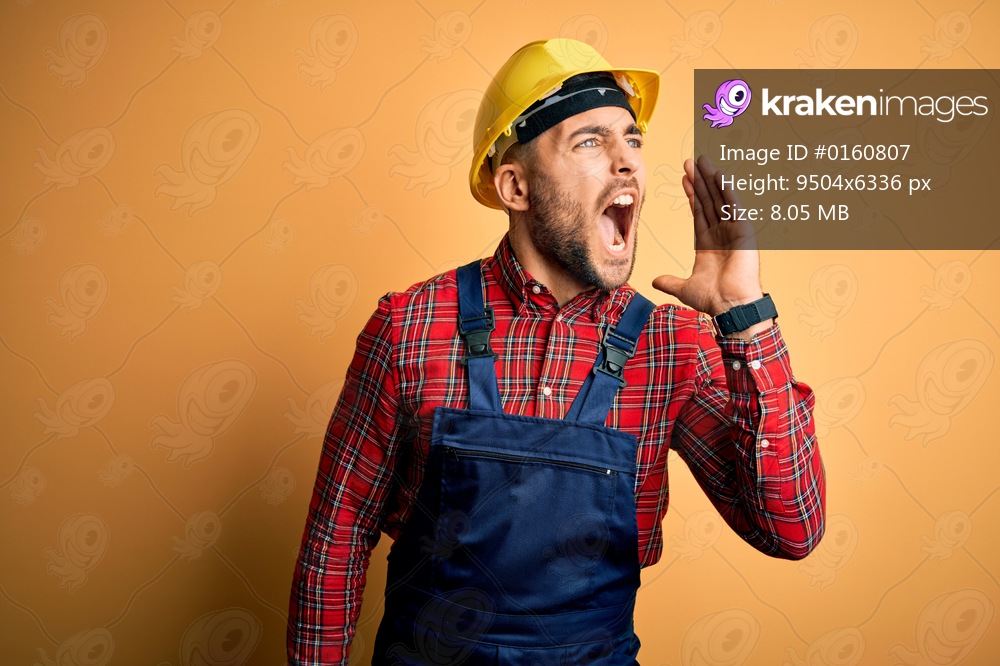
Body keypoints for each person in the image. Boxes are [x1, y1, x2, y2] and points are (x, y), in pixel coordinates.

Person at [287, 38, 826, 665]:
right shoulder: (411, 326)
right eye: (590, 141)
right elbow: (336, 540)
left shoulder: (672, 346)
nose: (627, 163)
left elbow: (791, 530)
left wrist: (746, 318)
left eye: (633, 140)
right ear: (515, 185)